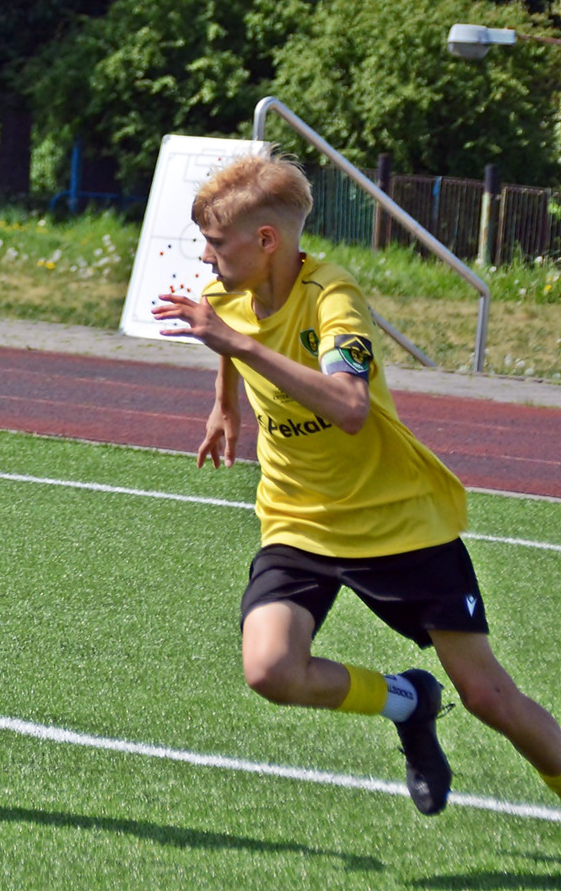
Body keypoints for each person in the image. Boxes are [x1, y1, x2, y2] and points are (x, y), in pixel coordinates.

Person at [151, 147, 561, 816]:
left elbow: (349, 406)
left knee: (489, 698)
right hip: (299, 521)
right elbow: (228, 333)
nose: (205, 256)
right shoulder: (226, 292)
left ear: (267, 240)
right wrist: (224, 405)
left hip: (396, 521)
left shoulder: (333, 298)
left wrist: (237, 347)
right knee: (270, 670)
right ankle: (410, 702)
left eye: (216, 243)